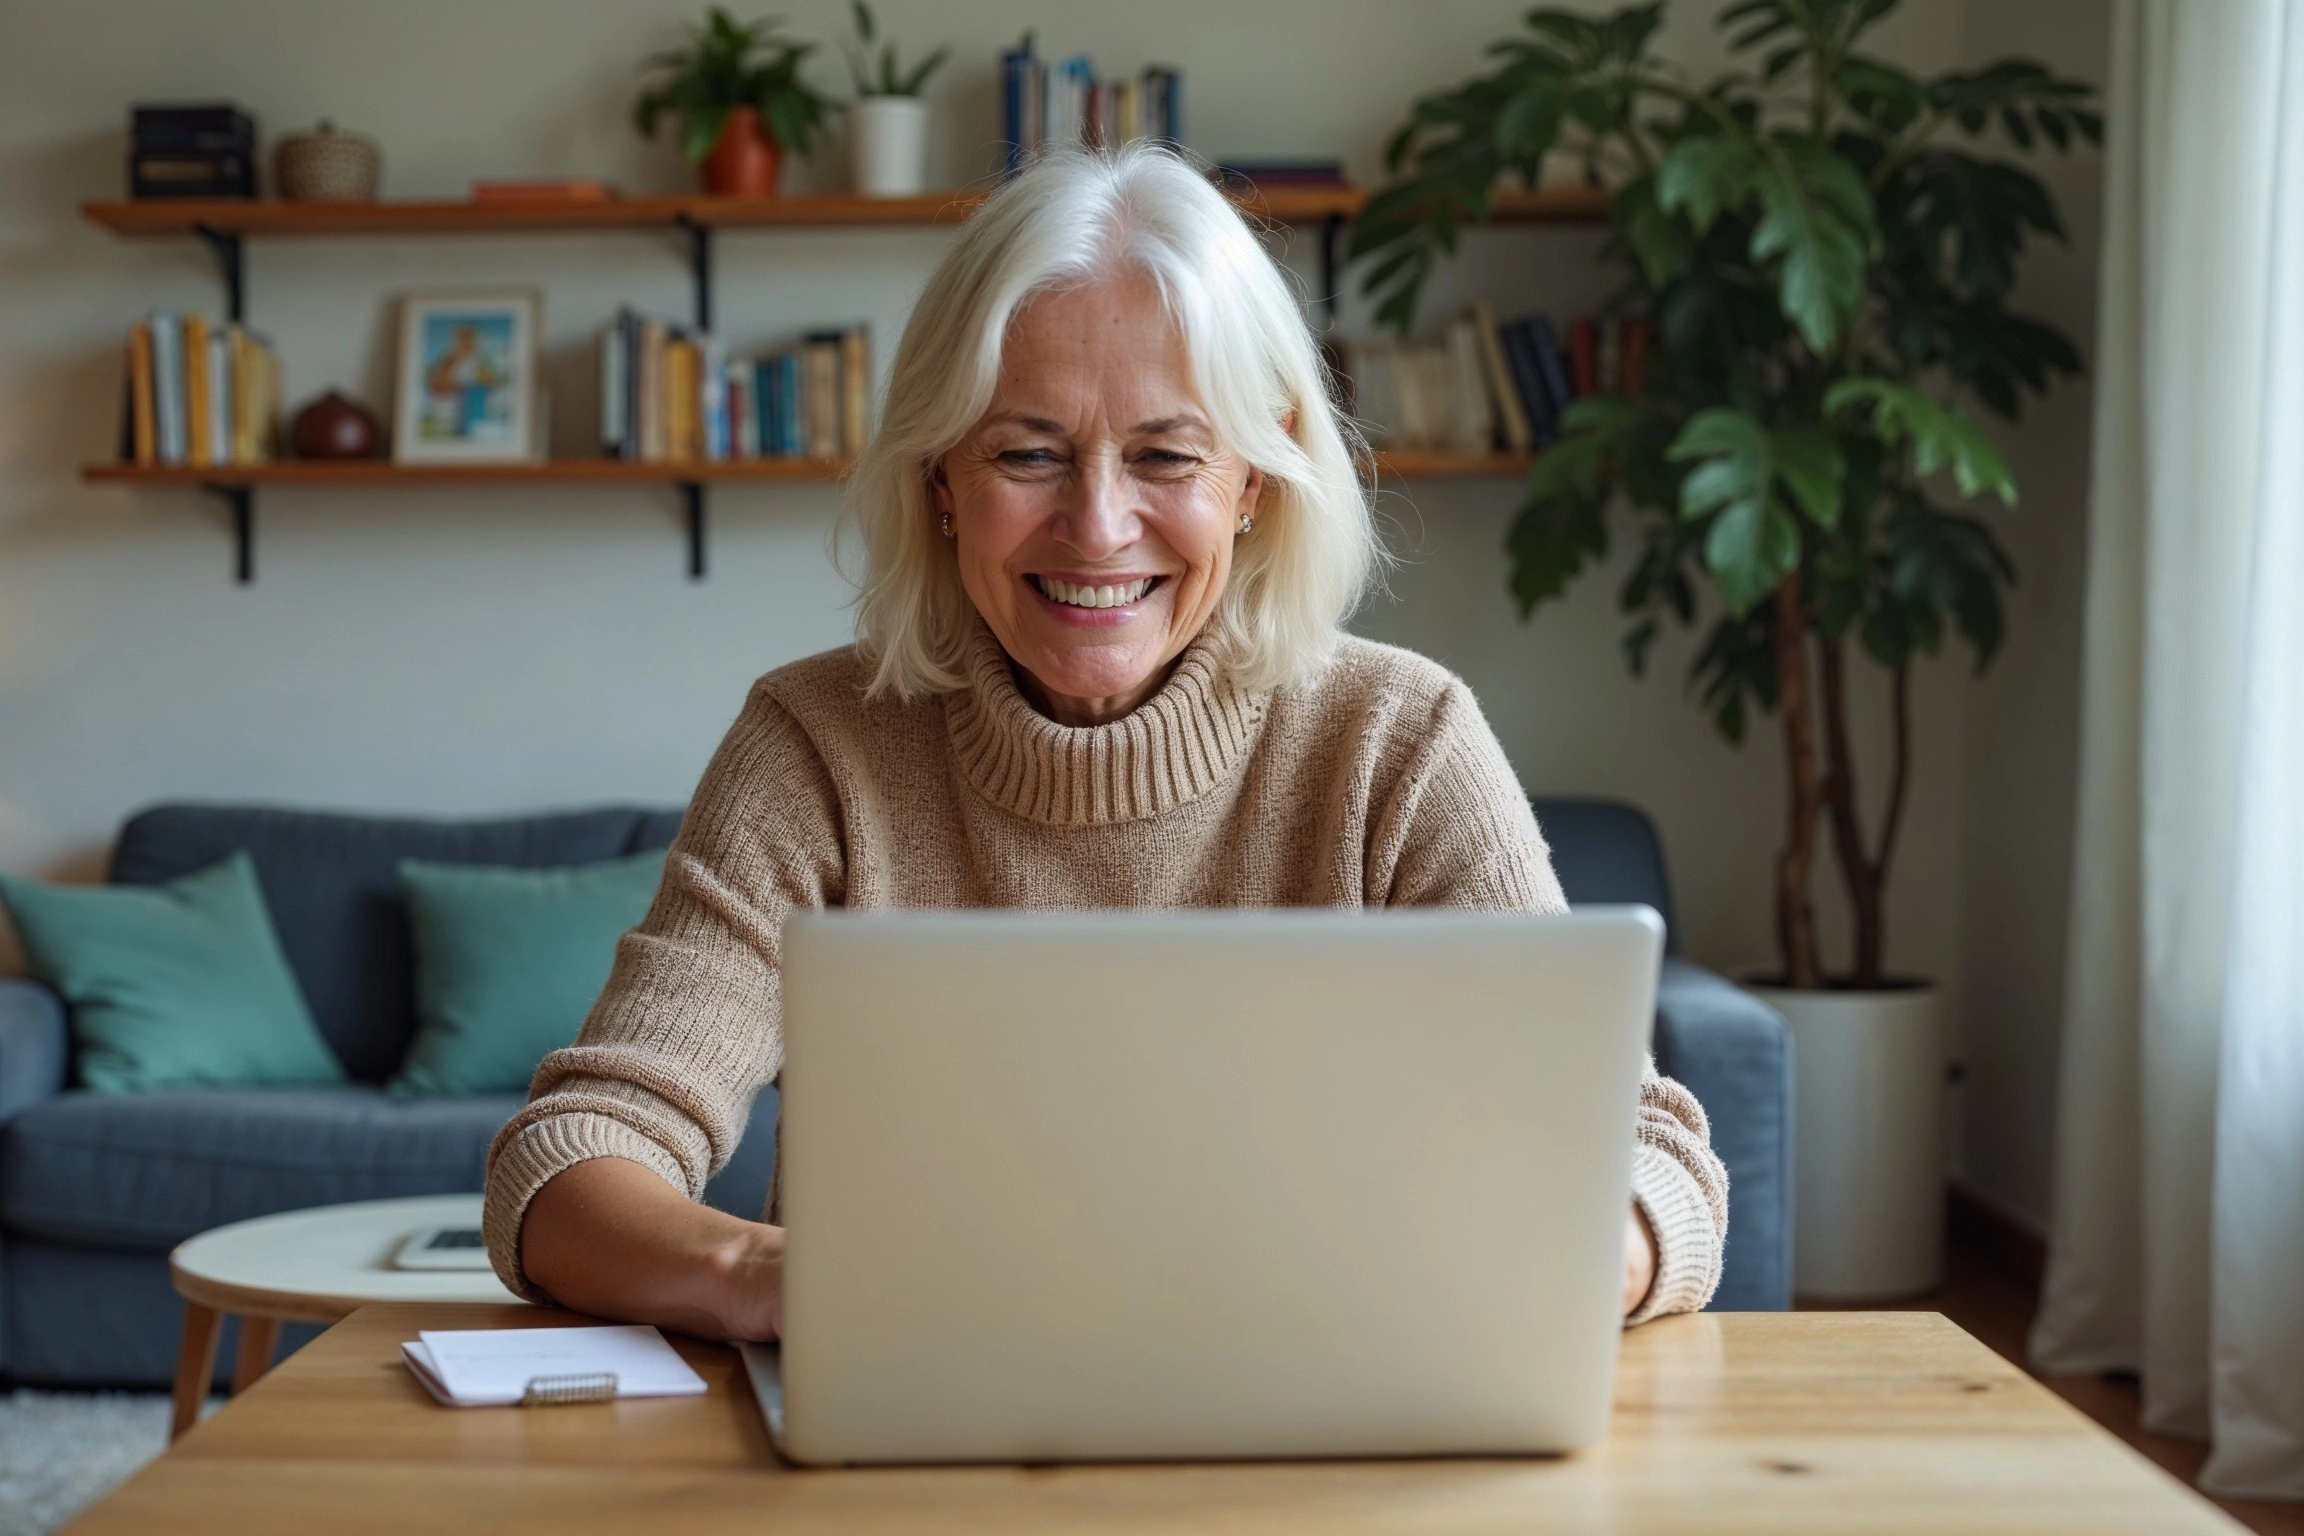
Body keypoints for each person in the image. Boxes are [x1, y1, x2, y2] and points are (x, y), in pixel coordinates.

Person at [482, 144, 1727, 1343]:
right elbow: (572, 1158)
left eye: (1166, 456)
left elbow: (1650, 1160)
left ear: (1254, 480)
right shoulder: (816, 747)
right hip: (911, 1444)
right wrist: (764, 1275)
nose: (1097, 524)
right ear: (939, 478)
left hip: (1327, 1419)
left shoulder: (1397, 743)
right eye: (1027, 454)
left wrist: (1555, 1257)